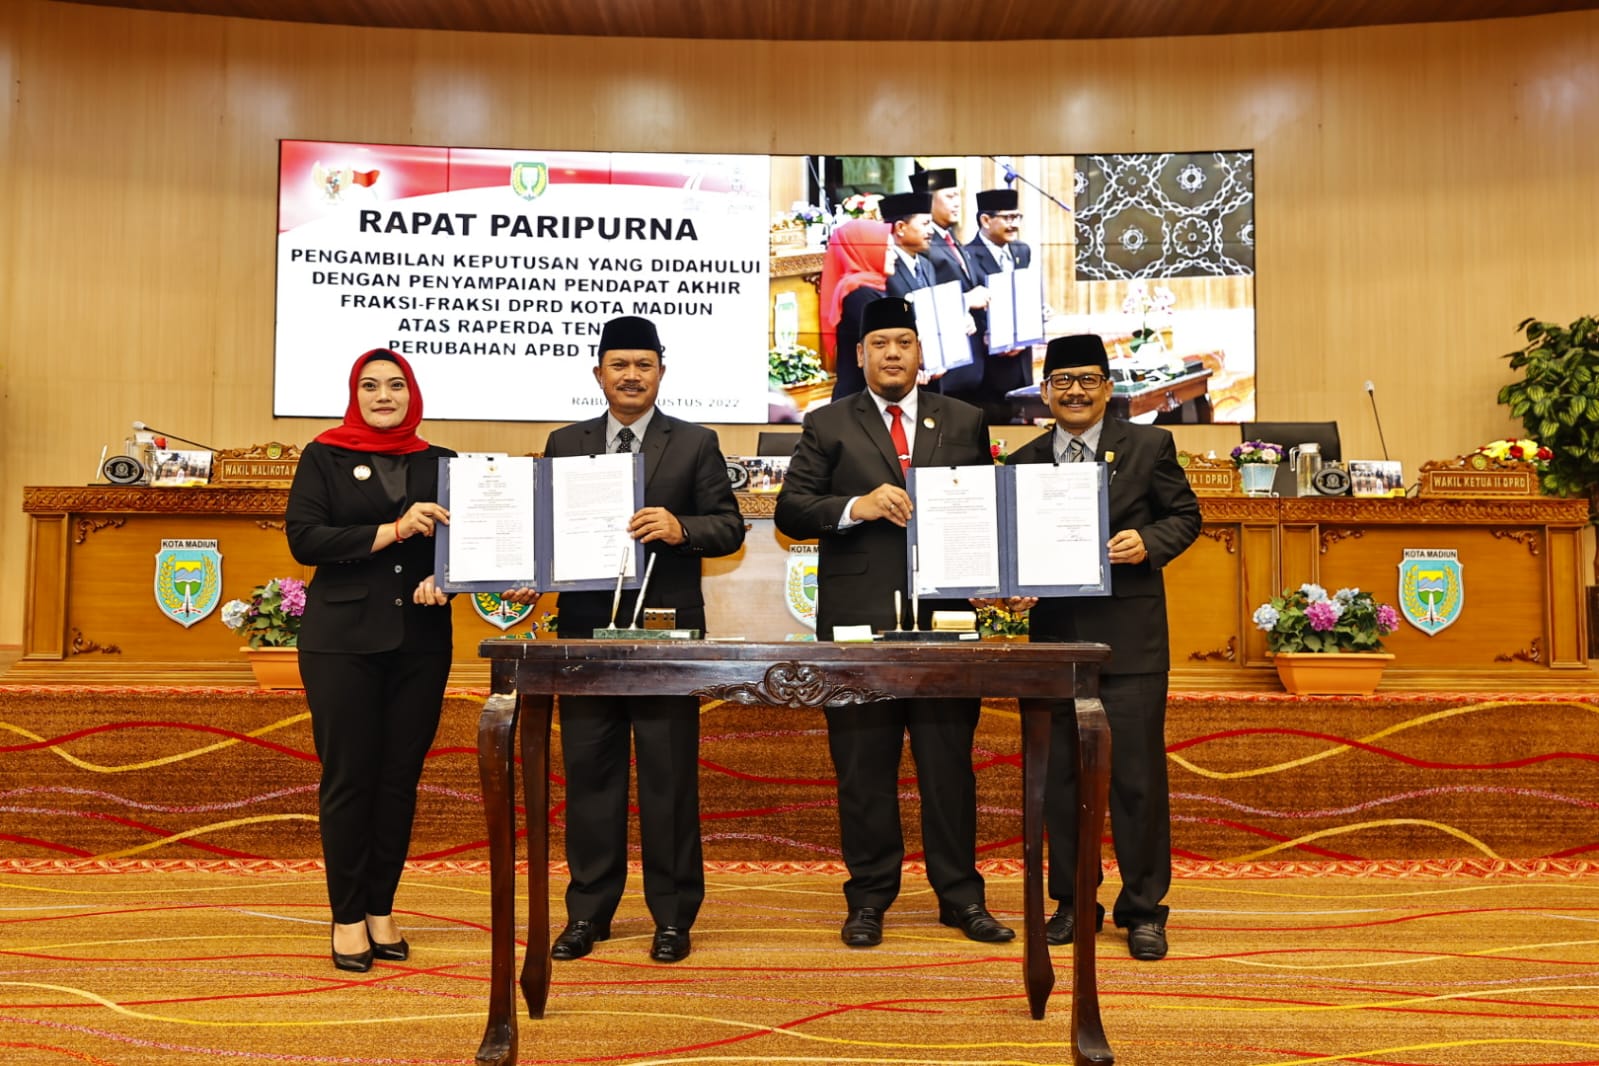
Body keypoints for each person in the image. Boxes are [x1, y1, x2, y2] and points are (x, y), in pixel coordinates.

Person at [775, 295, 1013, 949]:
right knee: (863, 768)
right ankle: (869, 898)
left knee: (948, 767)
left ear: (919, 352)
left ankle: (961, 898)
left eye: (902, 343)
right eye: (879, 344)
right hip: (857, 621)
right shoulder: (827, 423)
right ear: (860, 355)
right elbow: (792, 511)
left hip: (944, 619)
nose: (891, 354)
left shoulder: (963, 419)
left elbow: (983, 510)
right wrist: (856, 505)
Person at [506, 315, 744, 965]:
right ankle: (588, 913)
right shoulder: (566, 442)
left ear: (661, 372)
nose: (631, 375)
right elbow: (547, 527)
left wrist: (680, 527)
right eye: (619, 365)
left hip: (665, 637)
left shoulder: (694, 442)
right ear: (598, 373)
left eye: (643, 365)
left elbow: (728, 528)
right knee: (590, 778)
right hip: (585, 638)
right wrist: (528, 569)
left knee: (668, 780)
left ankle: (672, 917)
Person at [1003, 333, 1202, 962]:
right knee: (1061, 782)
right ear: (1044, 392)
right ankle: (1072, 902)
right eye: (1062, 381)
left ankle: (1143, 910)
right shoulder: (1022, 463)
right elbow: (1010, 546)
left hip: (1130, 645)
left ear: (1109, 388)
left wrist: (1148, 542)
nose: (1075, 392)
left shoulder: (1148, 446)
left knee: (1137, 782)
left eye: (1088, 379)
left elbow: (1186, 517)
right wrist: (1007, 585)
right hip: (1055, 647)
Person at [285, 348, 457, 973]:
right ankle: (347, 916)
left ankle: (381, 907)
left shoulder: (443, 462)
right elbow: (305, 539)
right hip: (341, 643)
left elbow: (467, 544)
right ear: (355, 395)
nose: (384, 396)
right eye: (370, 385)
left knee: (398, 781)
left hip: (421, 642)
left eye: (395, 385)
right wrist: (395, 529)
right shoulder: (323, 455)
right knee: (350, 779)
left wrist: (448, 578)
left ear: (412, 394)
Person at [819, 218, 896, 401]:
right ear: (868, 251)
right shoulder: (858, 294)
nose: (895, 256)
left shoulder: (875, 286)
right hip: (858, 401)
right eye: (888, 249)